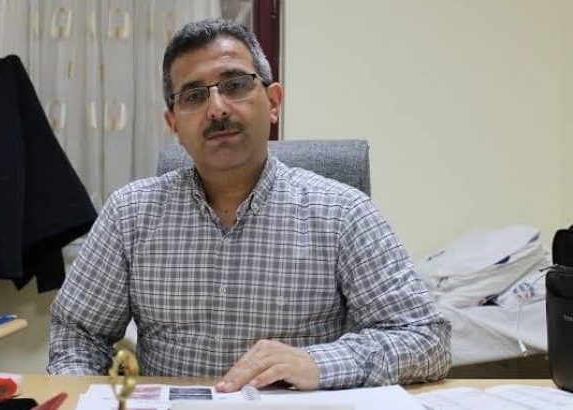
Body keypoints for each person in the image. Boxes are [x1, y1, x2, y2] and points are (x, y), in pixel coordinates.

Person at [48, 18, 451, 391]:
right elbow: (77, 334)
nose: (217, 108)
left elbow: (426, 338)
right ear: (174, 125)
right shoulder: (130, 214)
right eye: (193, 96)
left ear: (273, 103)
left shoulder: (344, 213)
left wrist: (319, 362)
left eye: (236, 85)